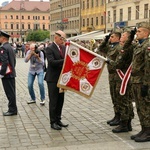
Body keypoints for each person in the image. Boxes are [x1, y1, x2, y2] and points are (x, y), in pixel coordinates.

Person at [108, 29, 136, 133]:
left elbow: (117, 64)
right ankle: (126, 123)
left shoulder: (127, 47)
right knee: (125, 101)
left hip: (123, 77)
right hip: (123, 77)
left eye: (124, 35)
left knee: (124, 101)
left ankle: (125, 123)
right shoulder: (126, 46)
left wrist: (109, 61)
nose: (122, 36)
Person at [44, 30, 68, 130]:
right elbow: (52, 62)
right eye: (61, 38)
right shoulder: (49, 48)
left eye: (64, 38)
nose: (63, 40)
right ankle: (53, 122)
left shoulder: (63, 47)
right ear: (56, 37)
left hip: (61, 78)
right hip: (53, 79)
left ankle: (58, 119)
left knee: (60, 100)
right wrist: (66, 60)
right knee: (53, 101)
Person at [130, 22, 150, 142]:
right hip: (136, 81)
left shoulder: (147, 46)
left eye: (139, 31)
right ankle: (144, 129)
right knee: (139, 107)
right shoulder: (139, 45)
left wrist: (146, 85)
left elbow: (148, 67)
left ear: (146, 33)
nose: (137, 33)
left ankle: (148, 132)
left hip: (143, 81)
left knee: (146, 107)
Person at [98, 31, 121, 126]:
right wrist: (106, 40)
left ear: (118, 38)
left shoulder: (119, 47)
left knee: (118, 97)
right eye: (110, 37)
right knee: (113, 96)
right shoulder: (111, 47)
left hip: (118, 74)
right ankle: (116, 115)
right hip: (111, 75)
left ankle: (120, 117)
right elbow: (101, 48)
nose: (110, 38)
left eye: (112, 37)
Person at [0, 30, 18, 116]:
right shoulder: (10, 47)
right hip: (11, 73)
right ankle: (13, 109)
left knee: (9, 93)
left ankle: (12, 110)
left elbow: (4, 62)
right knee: (12, 92)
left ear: (3, 38)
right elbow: (14, 61)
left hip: (7, 74)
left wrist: (2, 73)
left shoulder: (3, 48)